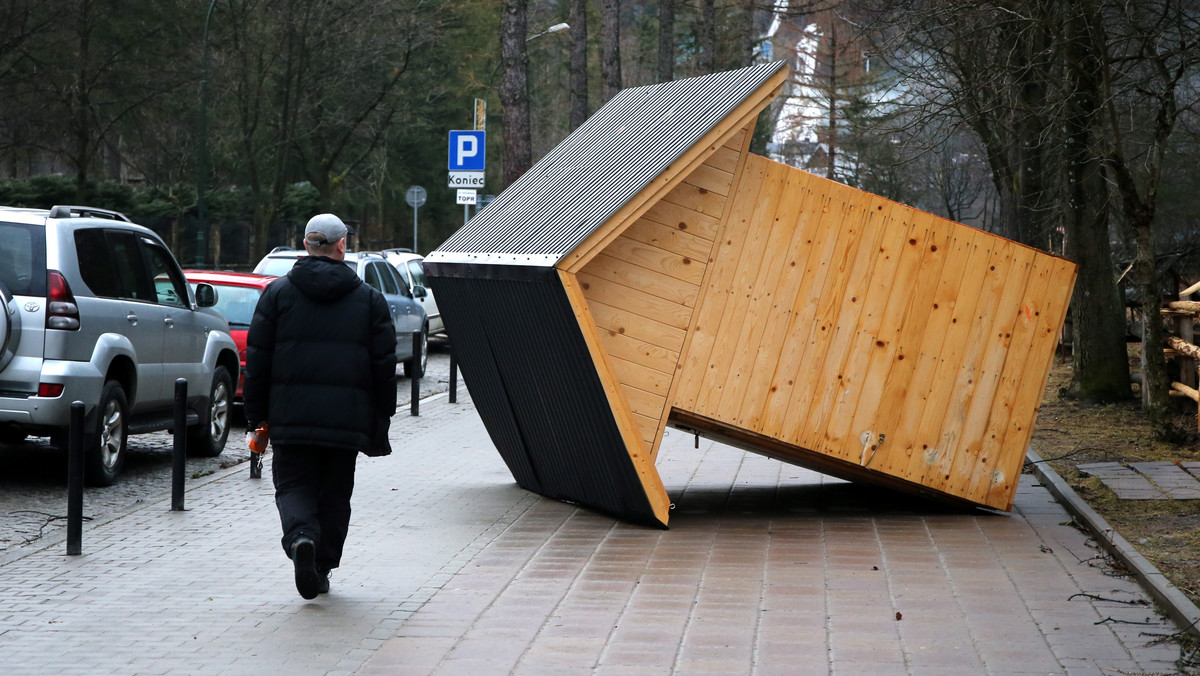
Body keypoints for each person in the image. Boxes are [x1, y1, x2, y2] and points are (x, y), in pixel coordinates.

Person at [243, 213, 397, 600]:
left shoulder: (277, 294)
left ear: (306, 245)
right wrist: (383, 415)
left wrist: (256, 413)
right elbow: (384, 365)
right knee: (334, 493)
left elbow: (258, 359)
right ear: (341, 245)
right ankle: (323, 565)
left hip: (291, 417)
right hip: (345, 421)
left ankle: (300, 539)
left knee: (294, 485)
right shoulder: (369, 300)